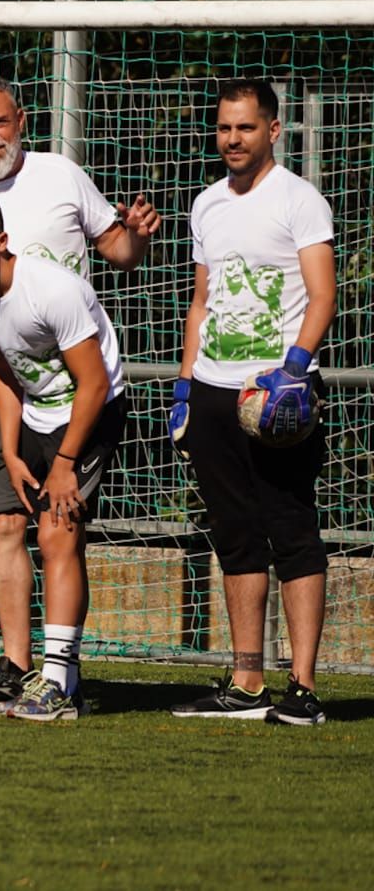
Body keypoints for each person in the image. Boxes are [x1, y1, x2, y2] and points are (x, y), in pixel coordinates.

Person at [0, 74, 159, 707]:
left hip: (78, 386)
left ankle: (58, 676)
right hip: (6, 386)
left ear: (20, 119)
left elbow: (116, 252)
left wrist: (136, 237)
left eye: (0, 122)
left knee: (58, 531)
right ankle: (22, 668)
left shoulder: (60, 178)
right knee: (3, 524)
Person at [168, 80, 335, 726]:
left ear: (272, 130)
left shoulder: (299, 200)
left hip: (278, 393)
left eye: (244, 127)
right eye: (223, 128)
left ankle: (304, 688)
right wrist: (185, 387)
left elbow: (321, 294)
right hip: (213, 392)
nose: (231, 139)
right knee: (235, 536)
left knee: (291, 531)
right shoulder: (206, 203)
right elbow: (202, 301)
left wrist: (294, 370)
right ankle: (246, 682)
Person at [0, 191, 127, 721]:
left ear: (2, 242)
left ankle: (55, 684)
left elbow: (93, 384)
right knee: (27, 530)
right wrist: (9, 449)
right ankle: (63, 686)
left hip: (92, 412)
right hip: (38, 416)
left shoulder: (52, 290)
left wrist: (66, 463)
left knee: (55, 533)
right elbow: (3, 370)